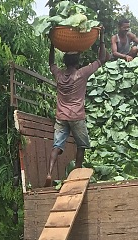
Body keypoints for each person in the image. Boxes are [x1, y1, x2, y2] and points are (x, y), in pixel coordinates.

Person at [44, 31, 108, 187]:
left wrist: (53, 43)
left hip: (61, 116)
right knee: (82, 145)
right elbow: (102, 59)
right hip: (76, 116)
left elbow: (51, 64)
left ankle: (49, 172)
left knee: (57, 146)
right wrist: (101, 37)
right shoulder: (81, 74)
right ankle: (77, 174)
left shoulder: (59, 75)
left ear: (65, 62)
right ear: (77, 62)